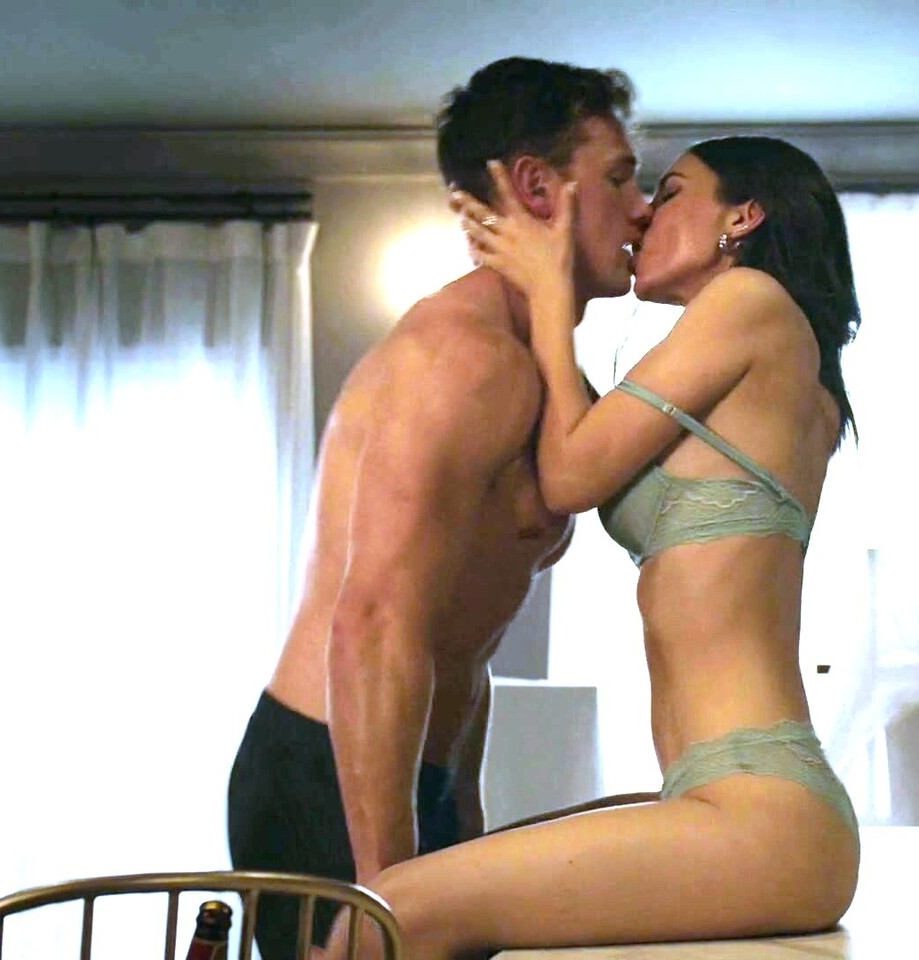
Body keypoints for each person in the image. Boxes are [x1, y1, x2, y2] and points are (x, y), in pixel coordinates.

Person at [319, 135, 865, 960]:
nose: (645, 214)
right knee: (415, 894)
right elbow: (578, 445)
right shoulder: (762, 355)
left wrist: (548, 291)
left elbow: (571, 472)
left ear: (743, 217)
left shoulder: (750, 301)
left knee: (389, 913)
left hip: (763, 810)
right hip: (730, 802)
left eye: (671, 192)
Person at [226, 56, 653, 957]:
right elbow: (375, 623)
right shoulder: (462, 358)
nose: (643, 209)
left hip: (416, 768)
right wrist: (391, 894)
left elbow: (464, 629)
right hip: (328, 774)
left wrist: (462, 805)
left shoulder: (538, 365)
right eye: (620, 179)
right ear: (538, 187)